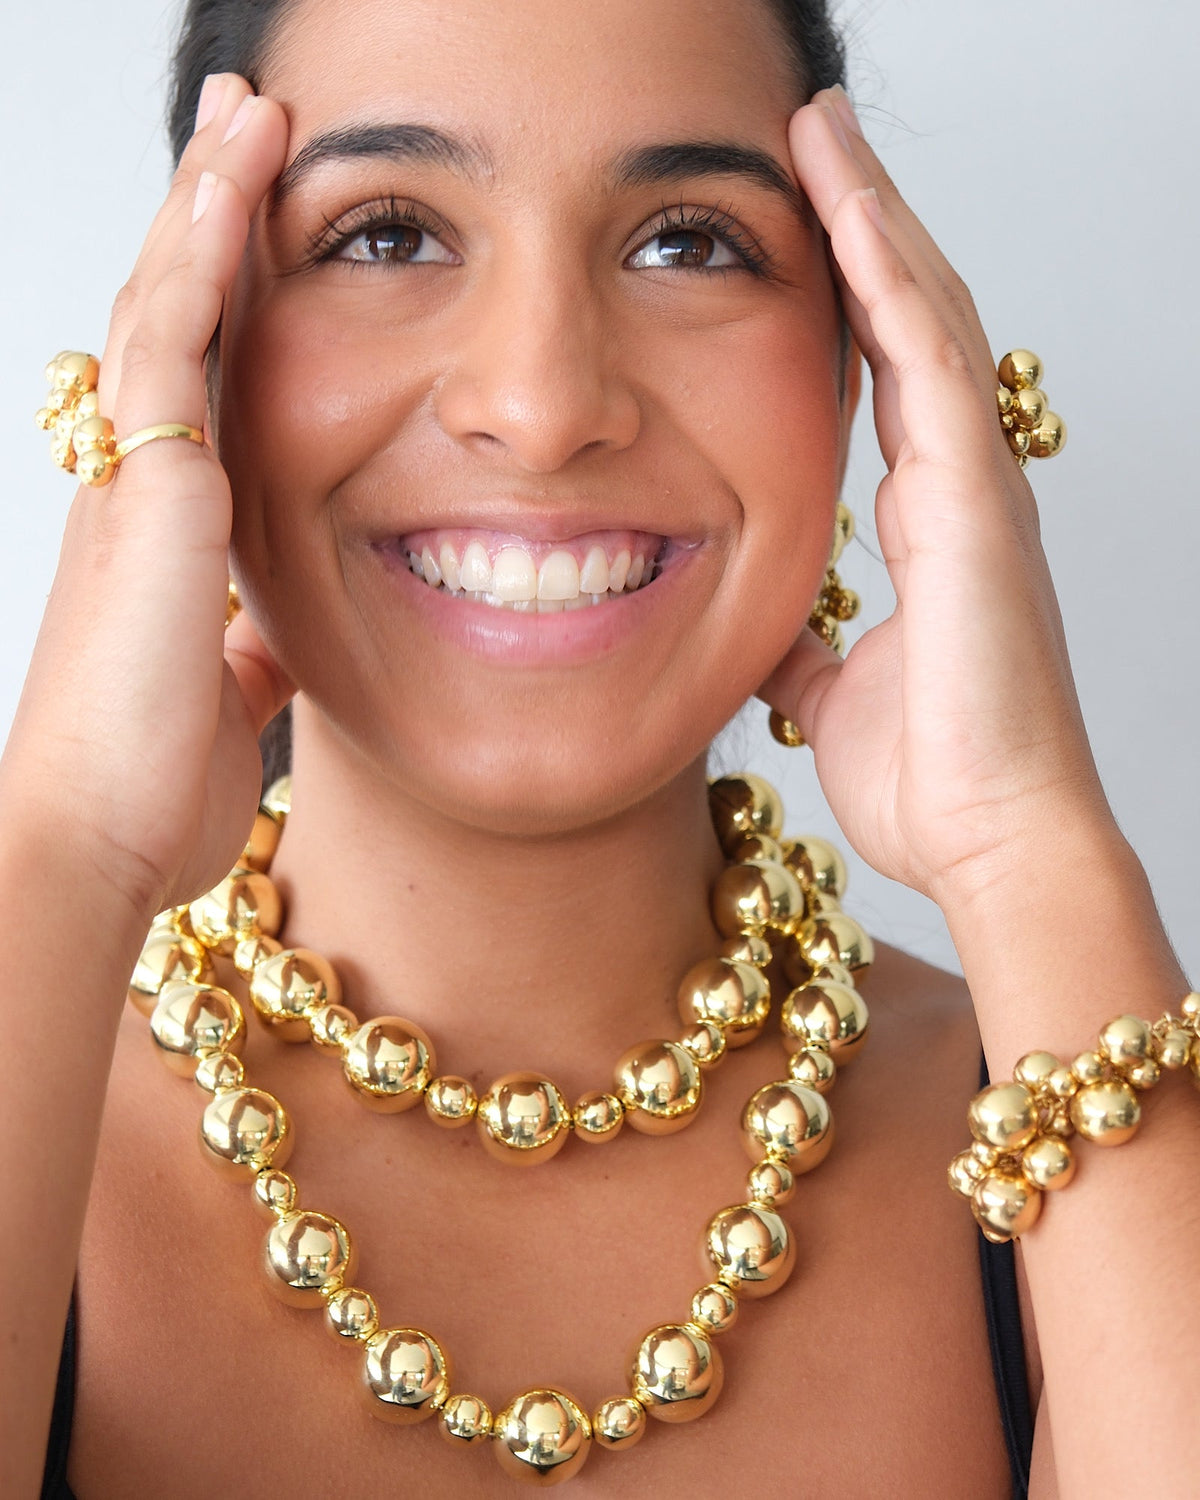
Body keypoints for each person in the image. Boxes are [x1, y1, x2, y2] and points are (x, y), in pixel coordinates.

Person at [2, 0, 1195, 1495]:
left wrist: (1027, 848)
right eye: (385, 235)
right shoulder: (32, 1090)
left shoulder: (1073, 1106)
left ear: (872, 365)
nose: (543, 403)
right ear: (187, 352)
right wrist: (61, 851)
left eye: (687, 242)